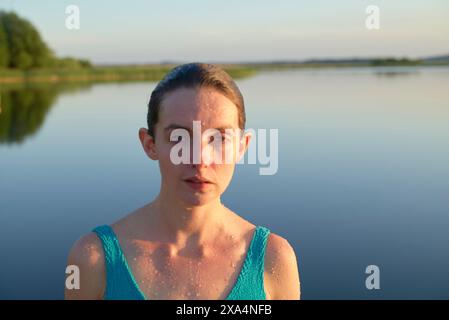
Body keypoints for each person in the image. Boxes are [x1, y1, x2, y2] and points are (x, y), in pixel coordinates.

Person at [65, 63, 301, 300]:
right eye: (180, 138)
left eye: (219, 138)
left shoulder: (273, 258)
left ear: (242, 147)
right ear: (150, 144)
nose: (200, 159)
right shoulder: (92, 258)